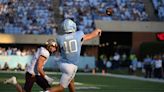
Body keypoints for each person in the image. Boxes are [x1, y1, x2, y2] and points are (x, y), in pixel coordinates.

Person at [47, 19, 102, 92]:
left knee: (71, 81)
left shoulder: (59, 38)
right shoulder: (79, 34)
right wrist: (97, 31)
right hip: (71, 66)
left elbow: (59, 50)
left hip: (62, 64)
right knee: (61, 88)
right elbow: (91, 35)